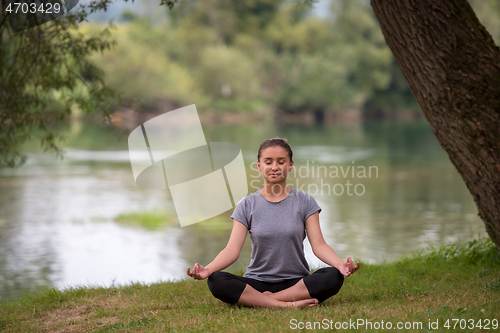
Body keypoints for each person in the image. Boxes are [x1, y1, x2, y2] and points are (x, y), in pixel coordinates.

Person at [187, 138, 360, 308]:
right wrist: (207, 270)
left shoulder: (305, 202)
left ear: (290, 165)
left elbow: (319, 245)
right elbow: (232, 250)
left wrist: (339, 264)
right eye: (268, 162)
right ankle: (286, 305)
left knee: (333, 276)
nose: (274, 167)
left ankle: (265, 300)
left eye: (281, 161)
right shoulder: (246, 205)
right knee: (217, 280)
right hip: (257, 281)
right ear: (259, 166)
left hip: (296, 282)